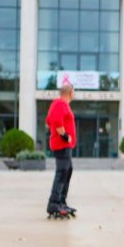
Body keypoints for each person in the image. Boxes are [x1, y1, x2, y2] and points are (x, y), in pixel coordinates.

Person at [44, 83, 77, 219]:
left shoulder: (61, 104)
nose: (74, 94)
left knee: (67, 171)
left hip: (64, 146)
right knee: (62, 173)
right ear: (70, 92)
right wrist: (65, 136)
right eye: (74, 92)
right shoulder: (60, 104)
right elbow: (56, 121)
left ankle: (61, 202)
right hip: (62, 145)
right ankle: (54, 203)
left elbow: (48, 121)